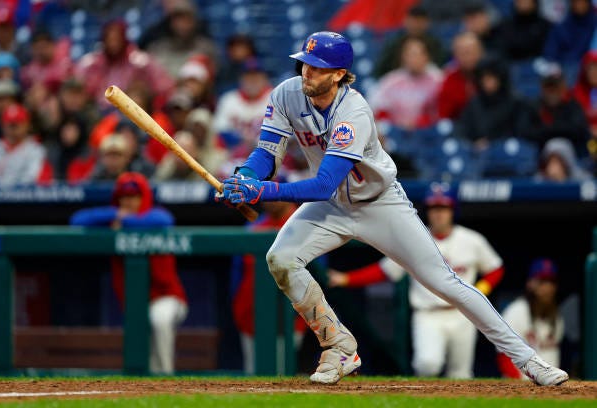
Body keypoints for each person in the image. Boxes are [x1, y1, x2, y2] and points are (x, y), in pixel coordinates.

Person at [216, 31, 569, 386]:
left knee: (445, 283)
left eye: (317, 68)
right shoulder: (286, 94)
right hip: (335, 206)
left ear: (338, 74)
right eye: (305, 64)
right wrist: (245, 177)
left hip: (380, 203)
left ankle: (530, 361)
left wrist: (261, 190)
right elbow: (266, 154)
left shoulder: (353, 111)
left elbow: (323, 185)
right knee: (280, 258)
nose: (307, 72)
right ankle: (338, 345)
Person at [328, 184, 505, 379]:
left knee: (461, 373)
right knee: (427, 365)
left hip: (462, 313)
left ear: (453, 211)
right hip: (427, 313)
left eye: (443, 209)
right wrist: (347, 279)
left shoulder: (472, 240)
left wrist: (480, 289)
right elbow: (386, 271)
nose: (438, 214)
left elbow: (495, 268)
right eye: (434, 209)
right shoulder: (415, 238)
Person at [70, 172, 188, 374]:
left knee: (159, 319)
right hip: (135, 301)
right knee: (142, 336)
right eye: (124, 196)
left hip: (168, 297)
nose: (129, 201)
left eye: (134, 196)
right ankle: (148, 384)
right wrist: (115, 215)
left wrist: (125, 222)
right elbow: (77, 220)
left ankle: (166, 378)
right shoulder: (113, 220)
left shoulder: (154, 218)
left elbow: (166, 220)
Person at [230, 196, 302, 374]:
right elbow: (237, 275)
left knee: (282, 370)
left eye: (277, 195)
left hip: (292, 313)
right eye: (267, 196)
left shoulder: (304, 224)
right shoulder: (254, 228)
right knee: (253, 371)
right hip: (251, 312)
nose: (272, 201)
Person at [74, 19, 174, 112]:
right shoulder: (93, 63)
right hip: (100, 112)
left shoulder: (140, 61)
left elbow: (164, 87)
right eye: (110, 40)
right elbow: (77, 83)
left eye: (116, 40)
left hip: (134, 111)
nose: (113, 44)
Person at [497, 259, 564, 380]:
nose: (548, 287)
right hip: (520, 387)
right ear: (530, 283)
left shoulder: (556, 317)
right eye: (542, 281)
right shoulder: (516, 311)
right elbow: (504, 355)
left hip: (551, 386)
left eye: (551, 282)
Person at [454, 56, 535, 149]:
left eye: (490, 77)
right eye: (483, 78)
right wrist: (473, 143)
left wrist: (491, 142)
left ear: (500, 78)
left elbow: (521, 133)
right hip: (478, 155)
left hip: (508, 152)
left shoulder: (516, 102)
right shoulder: (474, 103)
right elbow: (462, 130)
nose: (486, 82)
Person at [369, 36, 442, 130]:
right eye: (409, 55)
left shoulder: (438, 80)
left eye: (417, 54)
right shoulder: (391, 80)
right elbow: (375, 107)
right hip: (395, 132)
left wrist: (421, 121)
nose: (414, 59)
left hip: (427, 132)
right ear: (403, 57)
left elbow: (440, 113)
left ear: (427, 57)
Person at [213, 58, 273, 160]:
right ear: (241, 79)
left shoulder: (276, 98)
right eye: (248, 77)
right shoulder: (229, 100)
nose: (253, 81)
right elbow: (221, 132)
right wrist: (242, 141)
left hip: (268, 155)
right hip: (234, 154)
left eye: (256, 77)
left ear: (265, 79)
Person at [0, 103, 51, 185]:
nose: (13, 128)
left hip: (22, 196)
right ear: (3, 125)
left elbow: (31, 180)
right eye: (10, 124)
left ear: (27, 125)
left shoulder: (36, 150)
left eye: (17, 124)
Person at [372, 5, 445, 78]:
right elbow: (381, 70)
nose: (415, 26)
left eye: (419, 22)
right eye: (412, 21)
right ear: (405, 21)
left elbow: (441, 68)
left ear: (426, 23)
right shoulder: (395, 43)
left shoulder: (434, 44)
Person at [437, 32, 484, 120]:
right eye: (463, 53)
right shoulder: (449, 79)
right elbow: (444, 116)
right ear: (455, 55)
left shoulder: (491, 75)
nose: (468, 57)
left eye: (471, 51)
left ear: (480, 52)